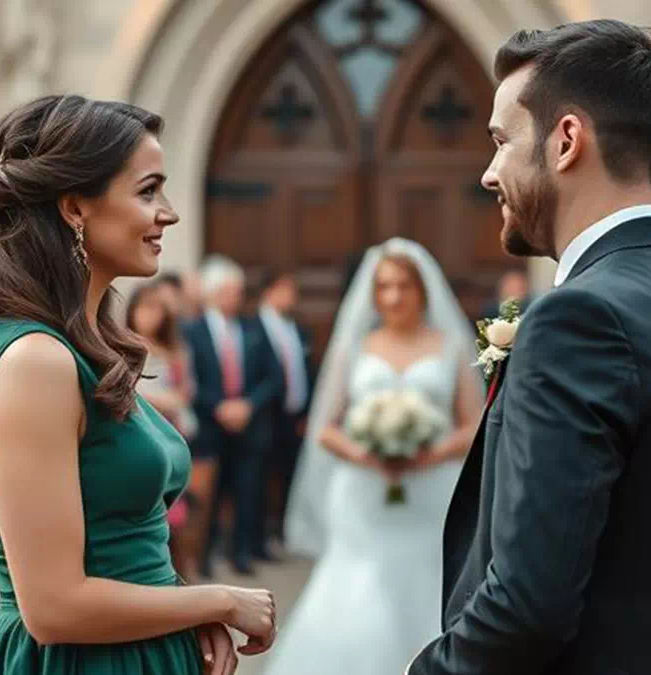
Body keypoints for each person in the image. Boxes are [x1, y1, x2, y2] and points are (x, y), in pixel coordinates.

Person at [408, 21, 651, 675]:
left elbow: (527, 605)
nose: (489, 174)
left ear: (567, 140)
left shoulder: (578, 319)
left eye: (501, 142)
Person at [0, 94, 276, 675]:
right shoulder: (34, 362)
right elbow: (52, 607)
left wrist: (180, 612)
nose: (167, 213)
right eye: (148, 191)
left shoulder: (76, 348)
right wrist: (220, 600)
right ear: (75, 207)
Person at [268, 238, 482, 675]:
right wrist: (367, 454)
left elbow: (475, 423)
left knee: (429, 581)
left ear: (422, 290)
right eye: (384, 286)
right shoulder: (357, 348)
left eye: (404, 285)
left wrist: (432, 452)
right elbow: (324, 428)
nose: (394, 296)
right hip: (363, 492)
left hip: (432, 490)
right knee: (358, 584)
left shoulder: (450, 346)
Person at [186, 256, 283, 577]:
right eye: (229, 290)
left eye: (238, 290)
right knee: (209, 493)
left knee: (248, 490)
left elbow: (273, 376)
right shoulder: (192, 330)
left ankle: (241, 553)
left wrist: (248, 405)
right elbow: (191, 379)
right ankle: (204, 555)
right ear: (213, 293)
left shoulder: (253, 327)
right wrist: (219, 407)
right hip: (210, 426)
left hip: (249, 426)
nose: (236, 297)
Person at [125, 280, 198, 580]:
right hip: (139, 430)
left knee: (176, 514)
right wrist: (160, 399)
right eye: (144, 308)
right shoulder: (122, 344)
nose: (150, 316)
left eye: (156, 309)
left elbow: (185, 391)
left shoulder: (174, 350)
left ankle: (179, 572)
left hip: (170, 429)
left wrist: (175, 400)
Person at [254, 269, 313, 549]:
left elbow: (306, 371)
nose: (293, 297)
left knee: (291, 473)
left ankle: (285, 530)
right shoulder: (253, 327)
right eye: (286, 290)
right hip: (266, 414)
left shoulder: (297, 329)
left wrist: (305, 410)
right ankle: (260, 535)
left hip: (294, 413)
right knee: (263, 478)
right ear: (271, 291)